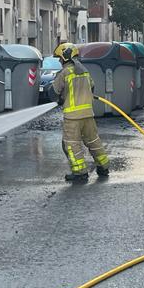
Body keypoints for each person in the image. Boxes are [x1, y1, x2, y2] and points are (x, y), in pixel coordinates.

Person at [51, 42, 110, 183]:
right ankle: (104, 167)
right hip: (88, 114)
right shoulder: (84, 71)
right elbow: (92, 87)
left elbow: (53, 93)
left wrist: (60, 98)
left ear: (65, 56)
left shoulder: (64, 73)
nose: (59, 61)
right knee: (94, 141)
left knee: (71, 144)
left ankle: (80, 173)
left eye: (60, 58)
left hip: (72, 117)